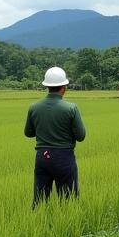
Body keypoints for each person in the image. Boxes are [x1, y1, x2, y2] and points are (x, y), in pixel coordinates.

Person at [24, 66, 86, 207]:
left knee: (39, 201)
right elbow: (81, 136)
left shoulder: (34, 107)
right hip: (63, 157)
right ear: (64, 87)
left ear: (47, 87)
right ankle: (64, 226)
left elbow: (28, 133)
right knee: (68, 201)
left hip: (42, 157)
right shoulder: (71, 108)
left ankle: (38, 225)